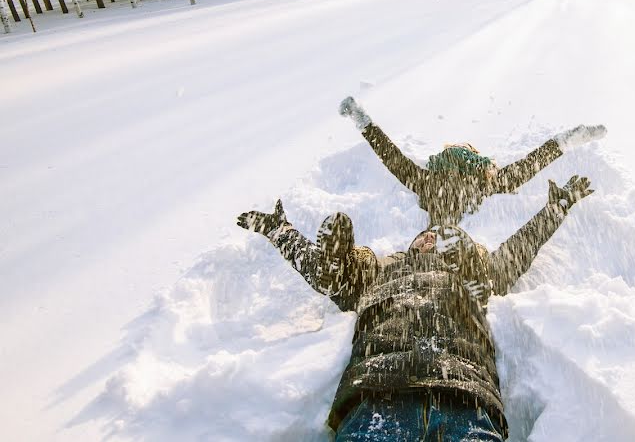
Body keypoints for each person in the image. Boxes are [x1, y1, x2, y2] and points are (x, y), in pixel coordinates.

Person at [237, 175, 594, 441]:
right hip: (379, 389)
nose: (429, 236)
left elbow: (519, 249)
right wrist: (282, 231)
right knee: (344, 273)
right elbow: (333, 280)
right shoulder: (381, 270)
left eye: (439, 237)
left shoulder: (475, 276)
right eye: (424, 235)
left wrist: (557, 207)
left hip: (464, 392)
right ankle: (334, 258)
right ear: (409, 247)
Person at [339, 96, 606, 227]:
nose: (457, 149)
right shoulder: (488, 180)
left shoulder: (426, 180)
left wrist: (361, 119)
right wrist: (563, 142)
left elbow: (390, 155)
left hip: (439, 248)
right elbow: (530, 165)